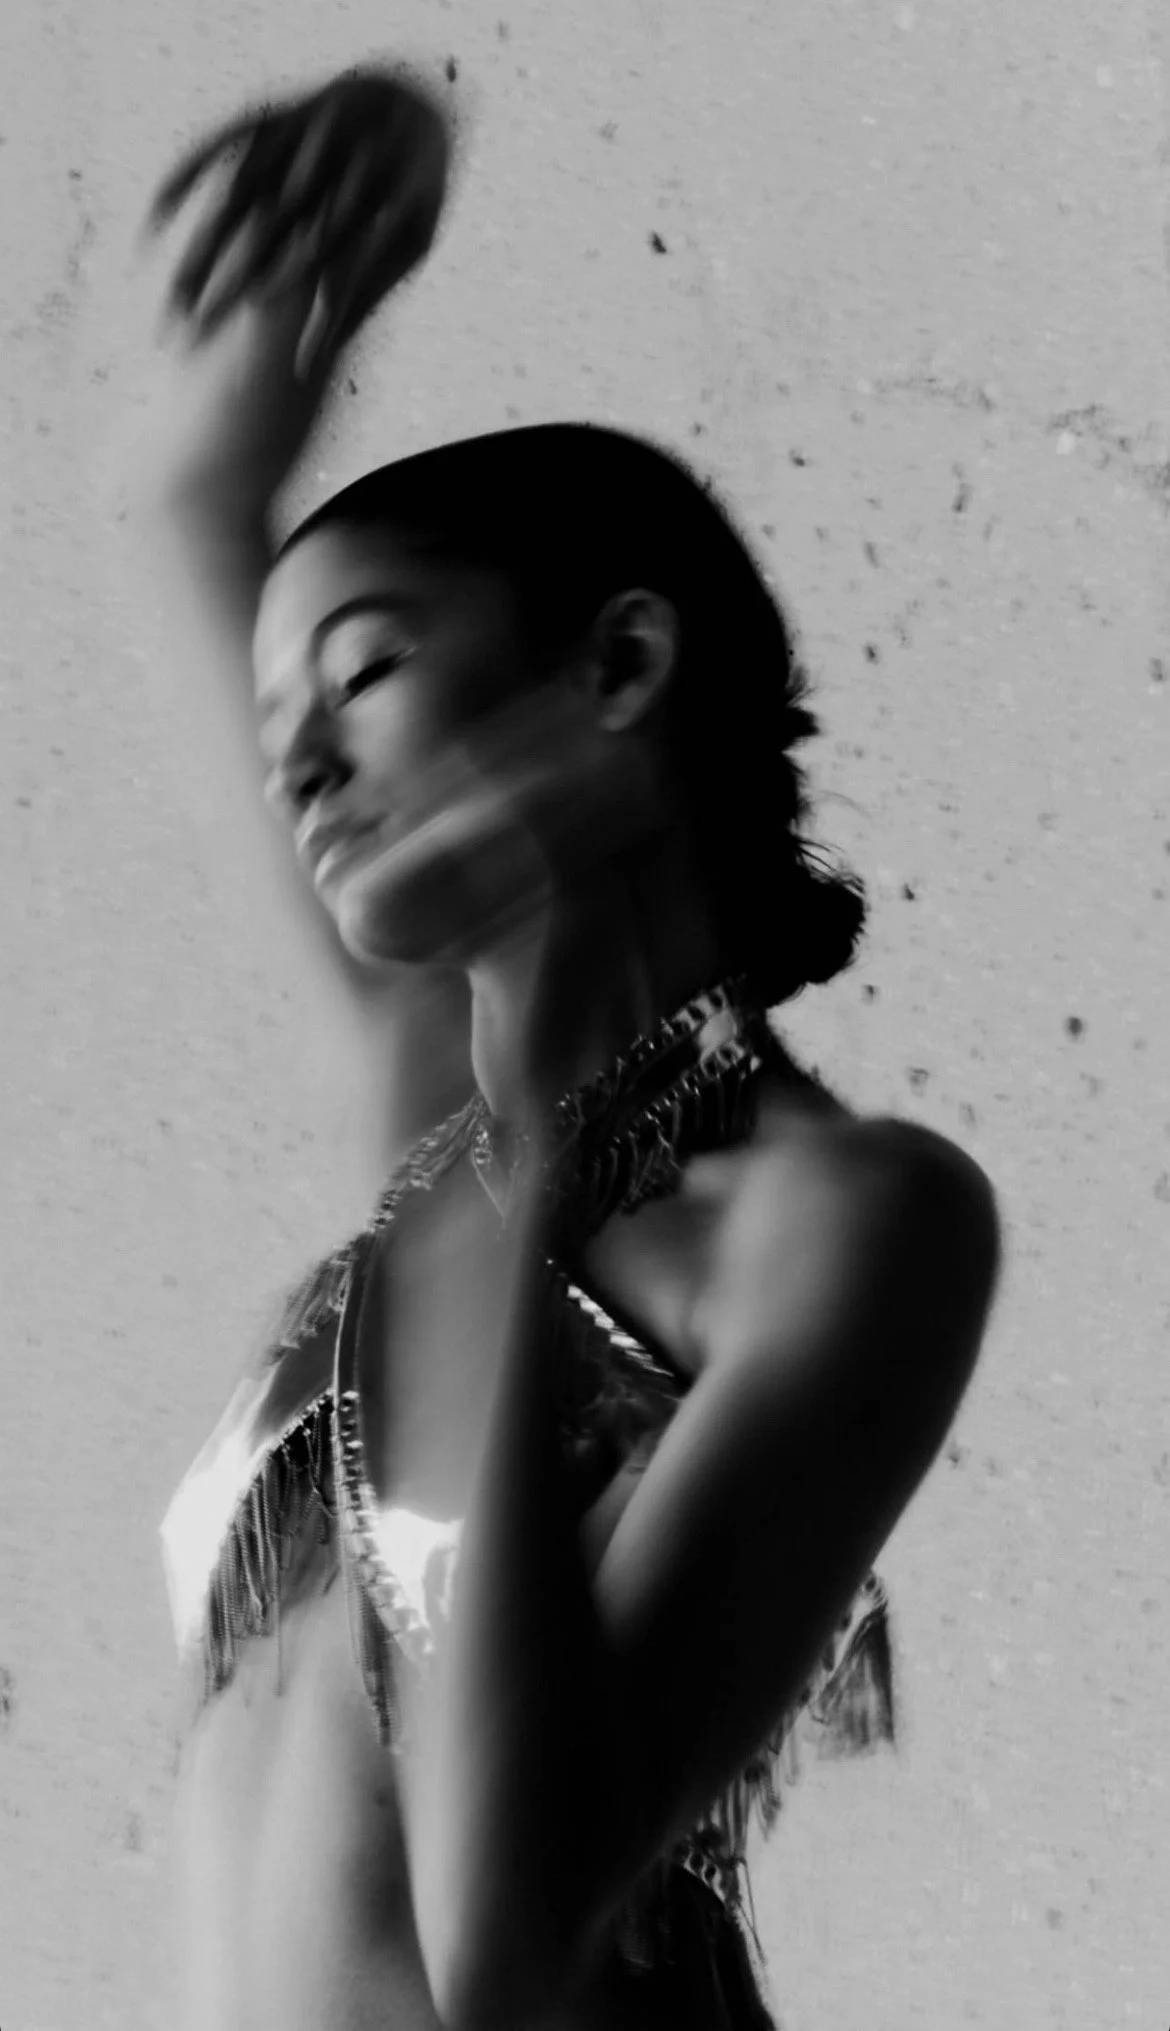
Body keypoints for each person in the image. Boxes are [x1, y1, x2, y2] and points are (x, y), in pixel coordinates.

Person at [126, 63, 1002, 2031]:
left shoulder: (846, 1219)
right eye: (285, 728)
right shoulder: (442, 1133)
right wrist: (246, 374)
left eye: (367, 672)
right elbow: (193, 515)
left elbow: (509, 1939)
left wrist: (516, 1167)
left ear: (619, 669)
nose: (302, 764)